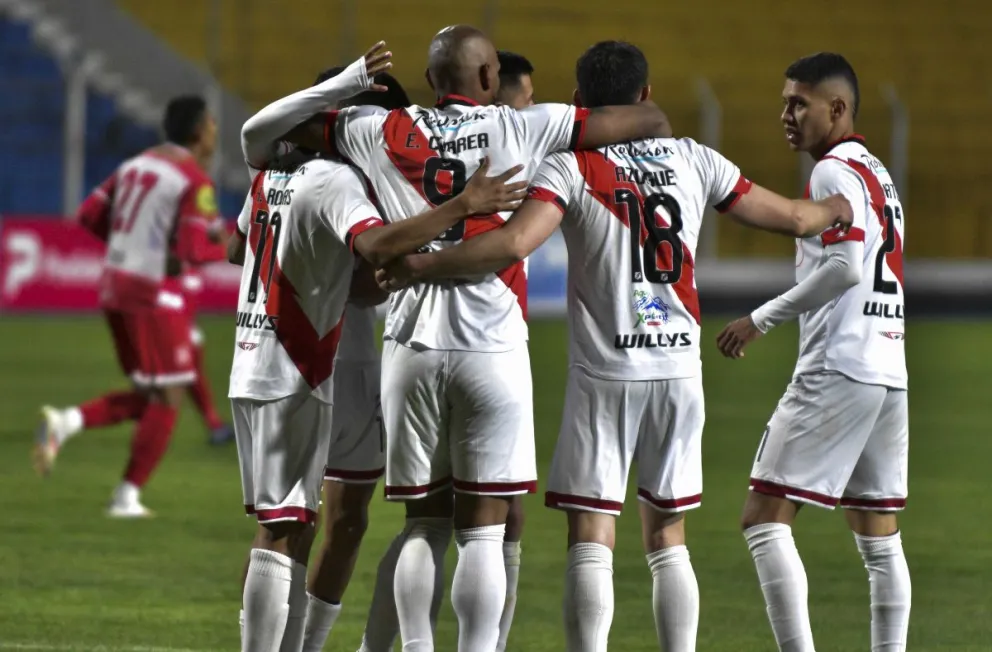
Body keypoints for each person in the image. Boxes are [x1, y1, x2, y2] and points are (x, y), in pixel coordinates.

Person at [375, 40, 854, 652]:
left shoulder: (570, 168)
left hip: (606, 372)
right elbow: (790, 217)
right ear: (645, 96)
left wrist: (417, 265)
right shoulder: (694, 158)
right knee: (668, 536)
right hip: (679, 369)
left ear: (580, 102)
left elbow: (512, 244)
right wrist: (837, 206)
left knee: (591, 536)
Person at [272, 24, 675, 651]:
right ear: (491, 80)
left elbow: (283, 125)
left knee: (422, 523)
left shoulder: (380, 130)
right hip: (492, 341)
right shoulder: (523, 126)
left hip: (411, 343)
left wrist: (343, 92)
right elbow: (645, 119)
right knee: (485, 529)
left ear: (431, 82)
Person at [229, 47, 528, 652]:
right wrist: (459, 210)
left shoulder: (270, 174)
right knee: (388, 518)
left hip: (260, 355)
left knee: (305, 522)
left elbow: (239, 250)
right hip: (340, 360)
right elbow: (373, 264)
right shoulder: (342, 183)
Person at [715, 52, 910, 652]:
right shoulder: (878, 173)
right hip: (888, 363)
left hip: (840, 362)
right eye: (785, 102)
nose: (787, 114)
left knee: (763, 519)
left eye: (799, 103)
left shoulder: (831, 174)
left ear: (838, 108)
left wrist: (759, 319)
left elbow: (846, 269)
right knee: (879, 536)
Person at [33, 95, 228, 517]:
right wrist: (234, 249)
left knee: (152, 393)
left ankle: (67, 422)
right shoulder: (193, 179)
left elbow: (88, 215)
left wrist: (130, 246)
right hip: (151, 292)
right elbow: (194, 248)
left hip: (114, 284)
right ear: (198, 132)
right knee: (170, 395)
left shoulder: (135, 164)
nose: (215, 132)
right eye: (212, 125)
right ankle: (125, 497)